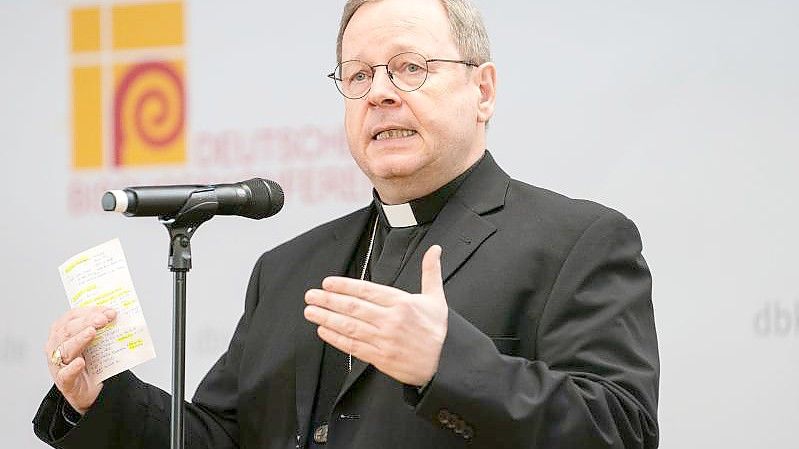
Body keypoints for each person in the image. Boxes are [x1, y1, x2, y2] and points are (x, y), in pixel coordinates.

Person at [34, 0, 660, 448]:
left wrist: (447, 364)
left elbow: (622, 430)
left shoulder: (576, 241)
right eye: (358, 75)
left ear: (484, 90)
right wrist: (103, 396)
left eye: (410, 67)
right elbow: (225, 437)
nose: (380, 93)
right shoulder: (286, 270)